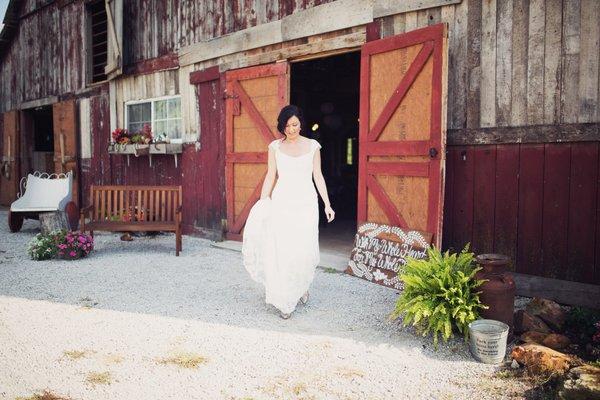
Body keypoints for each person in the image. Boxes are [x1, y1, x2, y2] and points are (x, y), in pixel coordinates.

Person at [242, 105, 335, 319]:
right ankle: (285, 299)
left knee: (303, 248)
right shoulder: (274, 147)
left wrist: (327, 204)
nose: (291, 129)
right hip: (282, 202)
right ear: (281, 127)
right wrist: (263, 201)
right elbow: (270, 176)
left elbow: (318, 177)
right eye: (287, 126)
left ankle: (301, 286)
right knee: (283, 249)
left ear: (301, 123)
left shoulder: (313, 146)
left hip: (306, 203)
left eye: (294, 124)